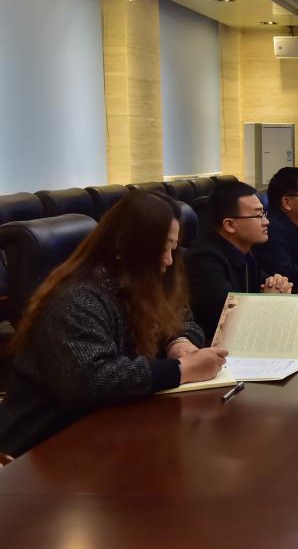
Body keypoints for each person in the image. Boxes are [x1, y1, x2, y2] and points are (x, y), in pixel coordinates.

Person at [0, 191, 228, 458]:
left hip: (111, 427)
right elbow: (91, 382)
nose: (168, 260)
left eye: (173, 248)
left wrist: (178, 342)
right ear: (123, 244)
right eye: (162, 248)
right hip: (44, 446)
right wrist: (180, 370)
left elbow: (183, 319)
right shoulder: (76, 297)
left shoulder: (145, 281)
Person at [185, 181, 293, 341]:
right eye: (258, 216)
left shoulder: (244, 250)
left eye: (264, 214)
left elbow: (267, 283)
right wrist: (269, 301)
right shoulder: (203, 260)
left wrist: (278, 283)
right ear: (229, 225)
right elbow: (229, 317)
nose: (266, 222)